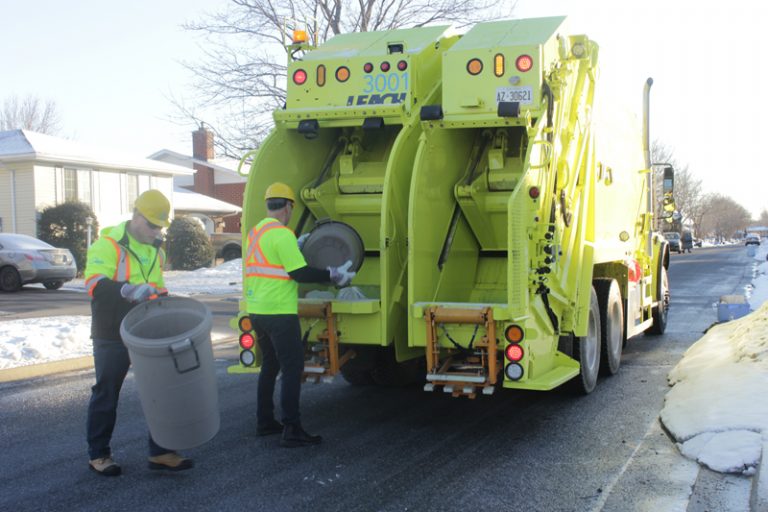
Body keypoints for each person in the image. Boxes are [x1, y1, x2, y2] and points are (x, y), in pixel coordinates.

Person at [83, 189, 194, 476]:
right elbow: (94, 284)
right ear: (135, 216)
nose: (156, 231)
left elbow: (158, 287)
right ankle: (99, 455)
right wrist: (127, 289)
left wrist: (165, 304)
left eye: (160, 226)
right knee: (107, 391)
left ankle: (161, 452)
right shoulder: (107, 244)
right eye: (152, 225)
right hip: (111, 331)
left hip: (146, 329)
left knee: (161, 390)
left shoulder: (156, 249)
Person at [245, 182, 355, 448]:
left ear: (269, 205)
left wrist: (296, 243)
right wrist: (332, 275)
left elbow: (273, 261)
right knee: (292, 368)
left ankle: (265, 421)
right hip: (279, 312)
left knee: (270, 365)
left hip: (257, 310)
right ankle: (292, 428)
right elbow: (299, 273)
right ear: (289, 206)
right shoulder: (282, 235)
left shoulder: (256, 232)